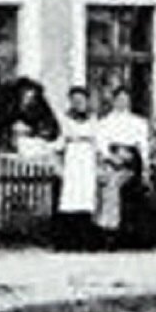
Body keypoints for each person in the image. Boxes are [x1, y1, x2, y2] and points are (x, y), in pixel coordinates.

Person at [92, 85, 153, 244]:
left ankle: (128, 233)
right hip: (112, 159)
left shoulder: (139, 122)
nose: (122, 103)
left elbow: (143, 146)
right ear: (113, 101)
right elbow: (101, 144)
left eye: (125, 100)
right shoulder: (104, 122)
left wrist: (145, 167)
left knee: (127, 187)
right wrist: (111, 157)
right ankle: (108, 230)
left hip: (132, 161)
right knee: (109, 185)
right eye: (119, 99)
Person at [51, 84, 102, 249]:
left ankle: (86, 240)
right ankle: (67, 241)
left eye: (81, 100)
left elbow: (99, 143)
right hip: (72, 158)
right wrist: (58, 165)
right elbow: (58, 144)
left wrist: (100, 161)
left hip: (87, 159)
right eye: (75, 100)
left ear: (87, 101)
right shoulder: (64, 120)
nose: (78, 103)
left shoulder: (93, 120)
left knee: (86, 198)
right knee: (70, 198)